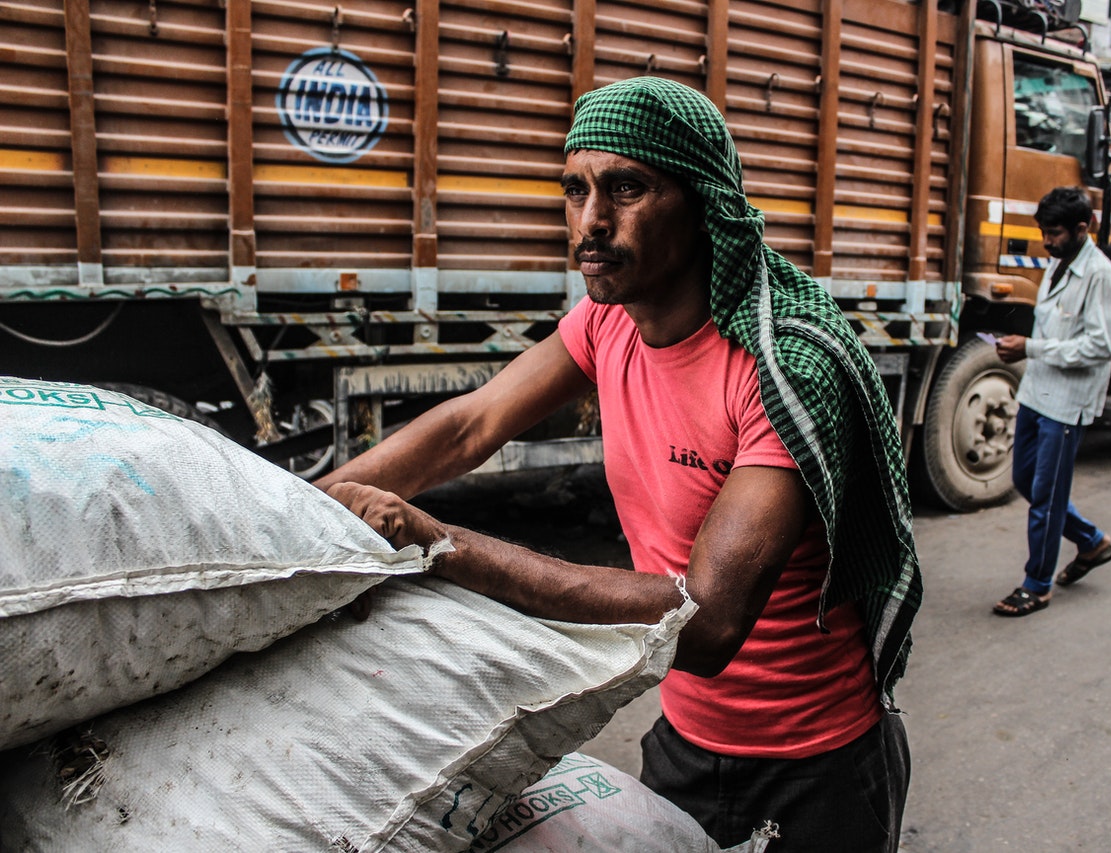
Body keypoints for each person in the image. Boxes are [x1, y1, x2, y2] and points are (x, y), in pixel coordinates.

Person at [315, 76, 922, 852]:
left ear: (703, 204)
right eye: (575, 190)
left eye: (627, 188)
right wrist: (310, 503)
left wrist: (441, 545)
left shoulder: (781, 370)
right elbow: (471, 426)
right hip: (682, 738)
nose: (591, 221)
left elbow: (707, 620)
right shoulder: (607, 322)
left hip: (815, 766)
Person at [992, 187, 1111, 617]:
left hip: (1067, 402)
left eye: (1055, 233)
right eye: (1044, 232)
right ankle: (1090, 541)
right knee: (1028, 482)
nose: (1047, 241)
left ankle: (1037, 584)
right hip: (1038, 391)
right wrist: (1029, 348)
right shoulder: (1057, 264)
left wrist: (1031, 348)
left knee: (1046, 495)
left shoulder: (1101, 275)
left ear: (1083, 229)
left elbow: (1099, 347)